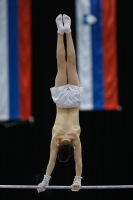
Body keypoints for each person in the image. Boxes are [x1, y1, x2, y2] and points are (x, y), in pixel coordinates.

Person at [37, 14, 84, 193]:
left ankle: (68, 31)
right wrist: (44, 182)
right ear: (58, 146)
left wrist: (77, 180)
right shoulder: (55, 138)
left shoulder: (75, 138)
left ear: (72, 147)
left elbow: (79, 161)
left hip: (74, 100)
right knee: (61, 65)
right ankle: (60, 31)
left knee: (71, 64)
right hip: (60, 101)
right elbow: (51, 161)